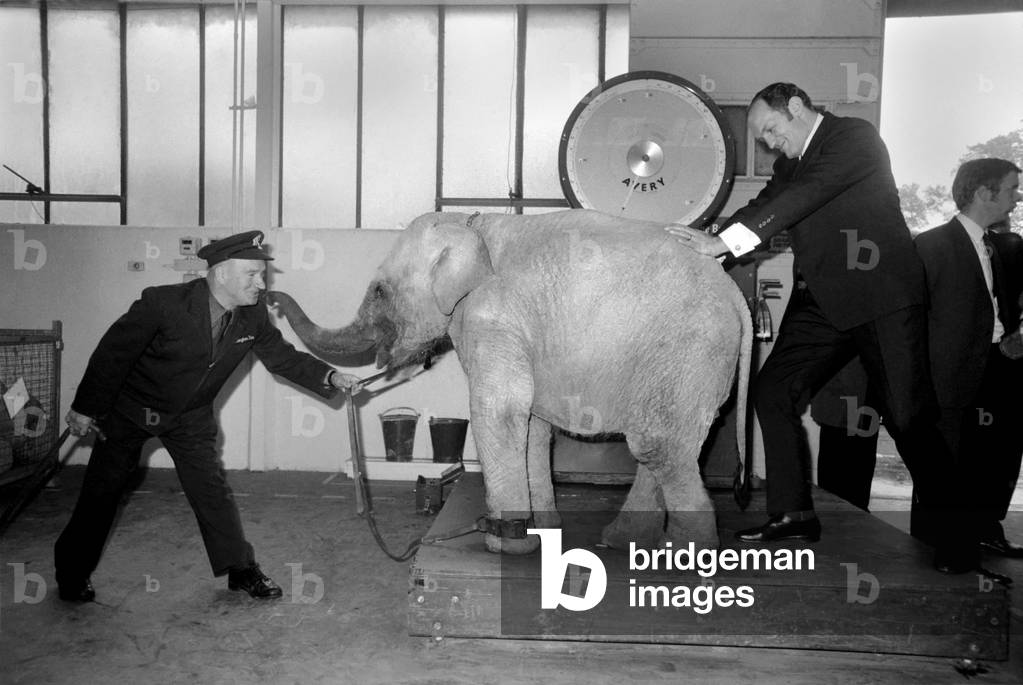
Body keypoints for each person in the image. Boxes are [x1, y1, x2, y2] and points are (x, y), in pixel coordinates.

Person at [667, 82, 972, 572]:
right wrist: (707, 239)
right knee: (773, 390)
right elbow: (763, 204)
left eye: (770, 129)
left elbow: (804, 198)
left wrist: (725, 246)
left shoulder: (854, 138)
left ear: (796, 107)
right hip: (824, 301)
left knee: (910, 416)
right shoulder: (790, 165)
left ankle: (958, 539)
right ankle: (793, 516)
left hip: (882, 296)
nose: (767, 143)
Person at [55, 231, 363, 602]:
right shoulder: (162, 304)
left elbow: (282, 358)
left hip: (189, 417)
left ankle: (240, 568)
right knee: (102, 492)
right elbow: (111, 355)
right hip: (131, 411)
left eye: (261, 275)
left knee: (211, 492)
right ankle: (72, 572)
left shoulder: (253, 316)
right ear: (220, 275)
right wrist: (85, 409)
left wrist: (329, 376)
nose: (261, 284)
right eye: (252, 275)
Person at [914, 158, 1023, 559]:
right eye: (1011, 189)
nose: (1017, 197)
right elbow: (914, 320)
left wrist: (1012, 336)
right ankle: (935, 546)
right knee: (945, 463)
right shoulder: (930, 246)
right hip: (950, 376)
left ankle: (983, 531)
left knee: (996, 456)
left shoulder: (997, 246)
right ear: (984, 193)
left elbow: (997, 306)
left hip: (998, 366)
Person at [811, 359, 878, 512]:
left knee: (849, 481)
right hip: (848, 400)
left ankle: (850, 516)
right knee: (843, 483)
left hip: (856, 400)